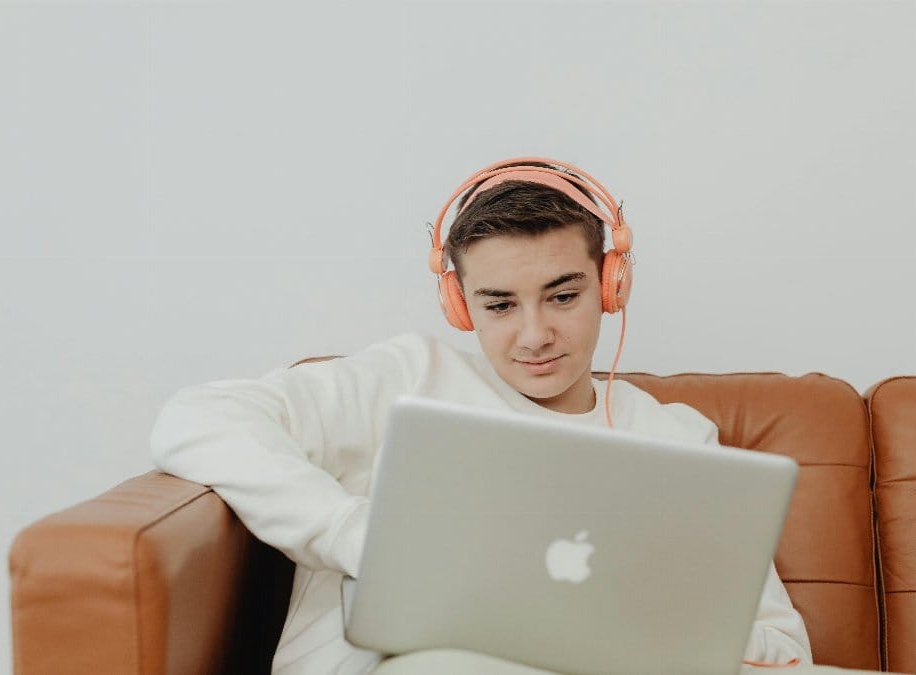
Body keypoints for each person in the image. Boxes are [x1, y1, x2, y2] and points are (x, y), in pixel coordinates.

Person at [149, 157, 813, 674]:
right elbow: (199, 417)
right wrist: (358, 533)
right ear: (459, 303)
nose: (535, 335)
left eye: (562, 295)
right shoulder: (410, 378)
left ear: (611, 286)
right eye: (499, 304)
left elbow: (782, 648)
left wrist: (636, 627)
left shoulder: (677, 439)